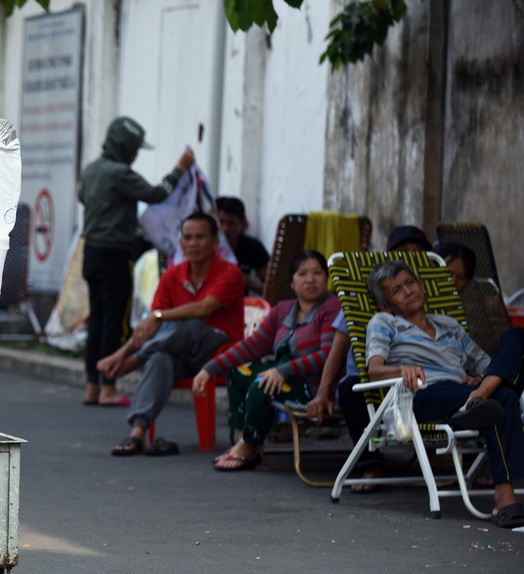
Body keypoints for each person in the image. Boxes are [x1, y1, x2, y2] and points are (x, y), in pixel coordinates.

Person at [364, 259, 524, 528]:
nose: (408, 290)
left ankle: (478, 398)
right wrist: (402, 369)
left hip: (463, 390)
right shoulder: (384, 322)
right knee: (503, 397)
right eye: (397, 290)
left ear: (421, 286)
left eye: (410, 282)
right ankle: (503, 496)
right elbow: (374, 371)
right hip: (423, 393)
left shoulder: (449, 325)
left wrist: (481, 381)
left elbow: (488, 364)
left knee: (515, 338)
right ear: (386, 305)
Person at [305, 223, 440, 491]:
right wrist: (322, 393)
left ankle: (440, 457)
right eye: (405, 252)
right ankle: (370, 463)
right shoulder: (367, 301)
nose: (412, 257)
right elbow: (338, 346)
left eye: (418, 252)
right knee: (350, 387)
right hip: (374, 378)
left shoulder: (428, 297)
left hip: (422, 378)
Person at [100, 212, 244, 456]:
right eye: (188, 237)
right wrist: (124, 351)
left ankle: (136, 360)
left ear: (215, 242)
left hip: (218, 355)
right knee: (159, 359)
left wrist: (157, 319)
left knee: (193, 325)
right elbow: (151, 326)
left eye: (200, 237)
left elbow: (204, 308)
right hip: (179, 352)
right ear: (181, 243)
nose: (193, 243)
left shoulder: (230, 273)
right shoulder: (172, 275)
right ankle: (137, 433)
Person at [78, 115, 194, 406]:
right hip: (115, 254)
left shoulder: (92, 170)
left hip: (90, 252)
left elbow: (84, 198)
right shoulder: (120, 173)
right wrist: (180, 168)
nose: (136, 154)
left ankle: (92, 386)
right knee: (114, 323)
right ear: (125, 146)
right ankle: (108, 388)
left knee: (98, 320)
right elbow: (156, 194)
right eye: (135, 148)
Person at [192, 251, 340, 470]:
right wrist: (209, 369)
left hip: (315, 387)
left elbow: (327, 356)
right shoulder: (283, 310)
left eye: (318, 273)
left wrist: (283, 371)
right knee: (238, 371)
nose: (310, 279)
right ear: (292, 282)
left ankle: (249, 446)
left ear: (326, 279)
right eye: (302, 274)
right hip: (285, 377)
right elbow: (251, 346)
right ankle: (246, 437)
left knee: (263, 384)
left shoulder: (332, 307)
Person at [215, 196, 270, 295]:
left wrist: (251, 284)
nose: (225, 228)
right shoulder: (206, 246)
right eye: (221, 222)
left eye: (231, 223)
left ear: (242, 223)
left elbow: (273, 288)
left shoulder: (252, 247)